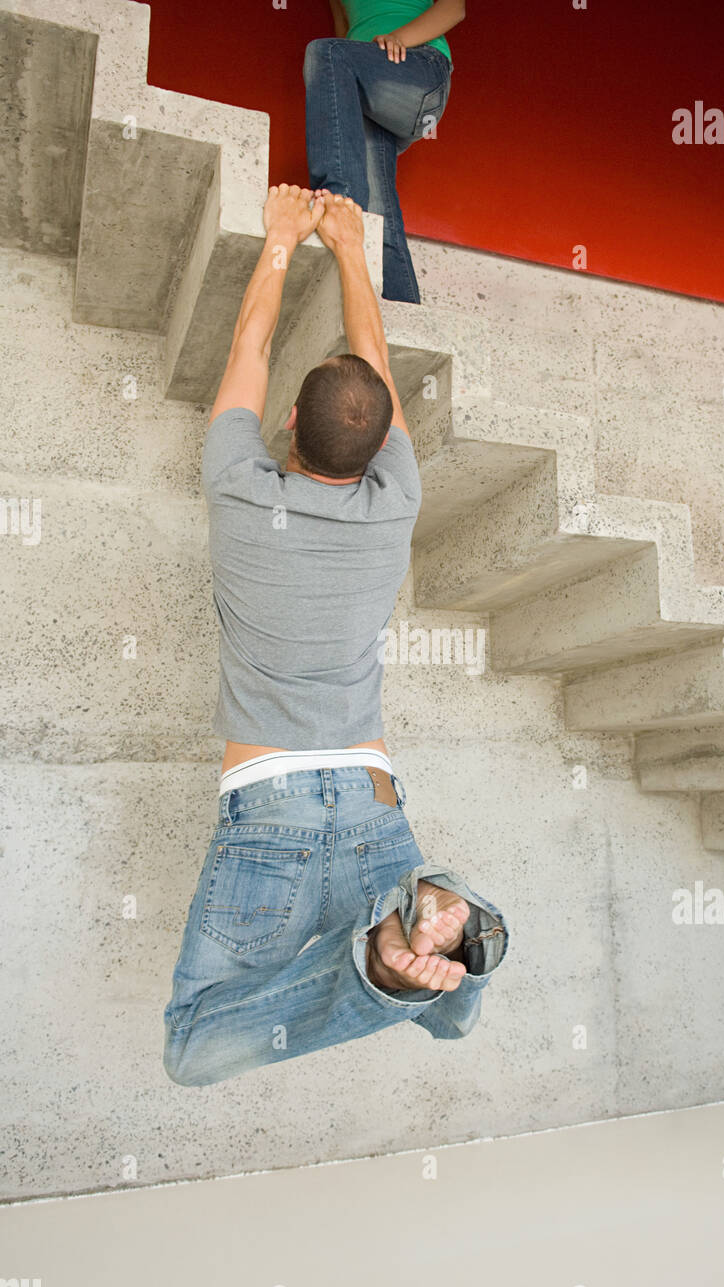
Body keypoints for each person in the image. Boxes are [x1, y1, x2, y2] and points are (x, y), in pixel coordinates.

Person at [163, 185, 508, 1086]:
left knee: (196, 1050)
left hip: (322, 805)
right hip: (355, 805)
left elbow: (249, 349)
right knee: (196, 1045)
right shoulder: (392, 499)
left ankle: (385, 961)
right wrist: (344, 250)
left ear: (287, 428)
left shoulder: (251, 494)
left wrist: (280, 240)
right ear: (382, 442)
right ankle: (423, 951)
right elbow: (367, 368)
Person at [304, 1, 465, 302]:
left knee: (325, 52)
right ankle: (402, 310)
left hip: (421, 67)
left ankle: (339, 202)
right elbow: (347, 36)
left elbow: (454, 8)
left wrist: (399, 38)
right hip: (366, 84)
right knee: (378, 216)